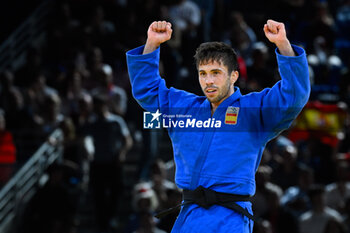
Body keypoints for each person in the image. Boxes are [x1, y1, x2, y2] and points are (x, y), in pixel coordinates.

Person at [126, 19, 310, 233]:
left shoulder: (252, 111)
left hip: (230, 219)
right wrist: (152, 44)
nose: (209, 81)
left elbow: (293, 97)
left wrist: (283, 45)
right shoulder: (183, 109)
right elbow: (147, 90)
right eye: (203, 73)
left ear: (233, 76)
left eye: (216, 73)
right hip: (190, 217)